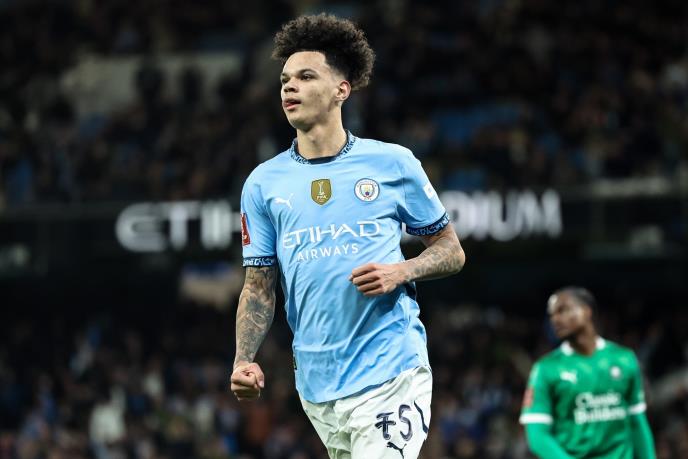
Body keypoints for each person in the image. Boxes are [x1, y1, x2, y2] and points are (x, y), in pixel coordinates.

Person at [229, 13, 466, 459]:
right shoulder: (262, 184)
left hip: (391, 368)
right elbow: (258, 286)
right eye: (284, 80)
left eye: (305, 77)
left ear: (342, 89)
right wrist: (244, 359)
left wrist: (401, 271)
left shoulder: (392, 164)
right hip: (317, 384)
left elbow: (451, 251)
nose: (289, 87)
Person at [520, 287, 656, 459]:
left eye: (563, 310)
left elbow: (637, 422)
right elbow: (537, 436)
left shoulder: (624, 359)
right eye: (552, 314)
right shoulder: (545, 369)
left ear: (586, 311)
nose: (555, 319)